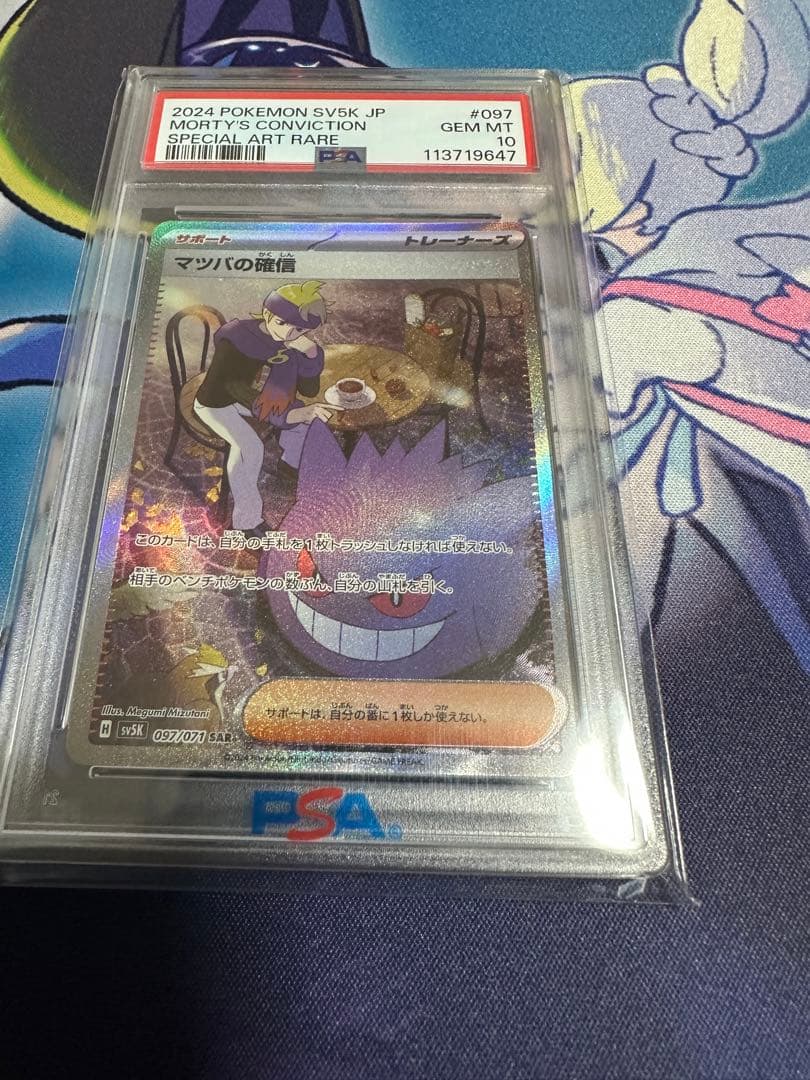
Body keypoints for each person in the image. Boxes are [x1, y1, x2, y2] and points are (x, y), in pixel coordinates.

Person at [193, 280, 339, 535]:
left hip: (246, 397)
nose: (288, 333)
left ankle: (289, 466)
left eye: (299, 329)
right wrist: (289, 414)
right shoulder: (236, 338)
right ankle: (246, 522)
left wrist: (311, 354)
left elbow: (308, 389)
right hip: (214, 402)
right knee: (249, 448)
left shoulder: (290, 341)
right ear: (267, 313)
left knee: (304, 419)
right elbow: (233, 386)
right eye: (282, 323)